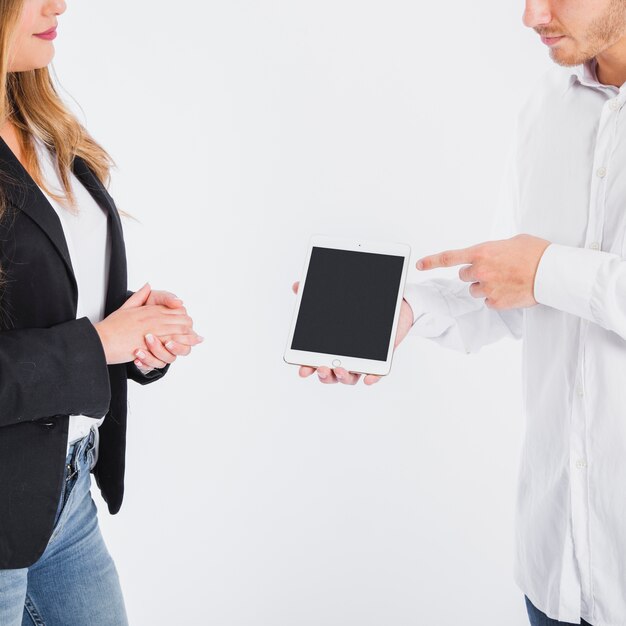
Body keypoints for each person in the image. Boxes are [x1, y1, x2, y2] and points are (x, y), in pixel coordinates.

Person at [293, 1, 626, 624]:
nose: (532, 15)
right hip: (556, 569)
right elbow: (521, 293)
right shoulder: (547, 107)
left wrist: (548, 269)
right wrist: (407, 312)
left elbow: (541, 274)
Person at [0, 1, 202, 624]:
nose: (58, 3)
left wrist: (135, 333)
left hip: (67, 493)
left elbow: (58, 294)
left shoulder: (40, 121)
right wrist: (100, 344)